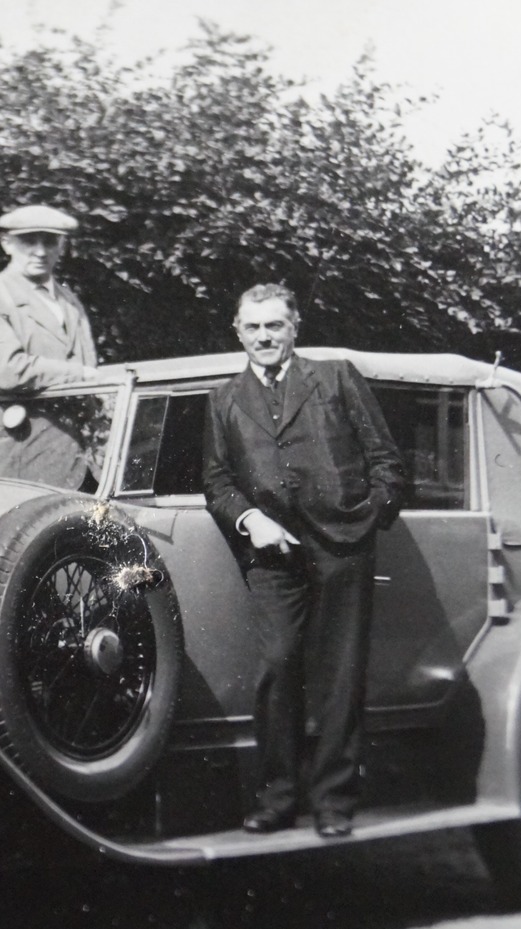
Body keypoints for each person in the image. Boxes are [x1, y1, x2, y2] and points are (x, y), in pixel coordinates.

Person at [203, 284, 407, 838]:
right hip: (272, 555)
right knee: (277, 666)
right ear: (238, 332)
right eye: (253, 327)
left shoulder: (336, 377)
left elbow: (388, 462)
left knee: (341, 675)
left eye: (275, 325)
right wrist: (251, 520)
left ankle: (335, 802)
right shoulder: (224, 399)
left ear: (295, 328)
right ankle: (276, 798)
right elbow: (217, 481)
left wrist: (364, 521)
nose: (264, 336)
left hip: (342, 547)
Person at [0, 204, 99, 488]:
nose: (40, 251)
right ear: (6, 244)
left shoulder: (69, 301)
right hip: (18, 453)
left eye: (50, 241)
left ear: (62, 246)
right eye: (28, 241)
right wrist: (81, 374)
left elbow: (89, 366)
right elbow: (8, 370)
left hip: (77, 455)